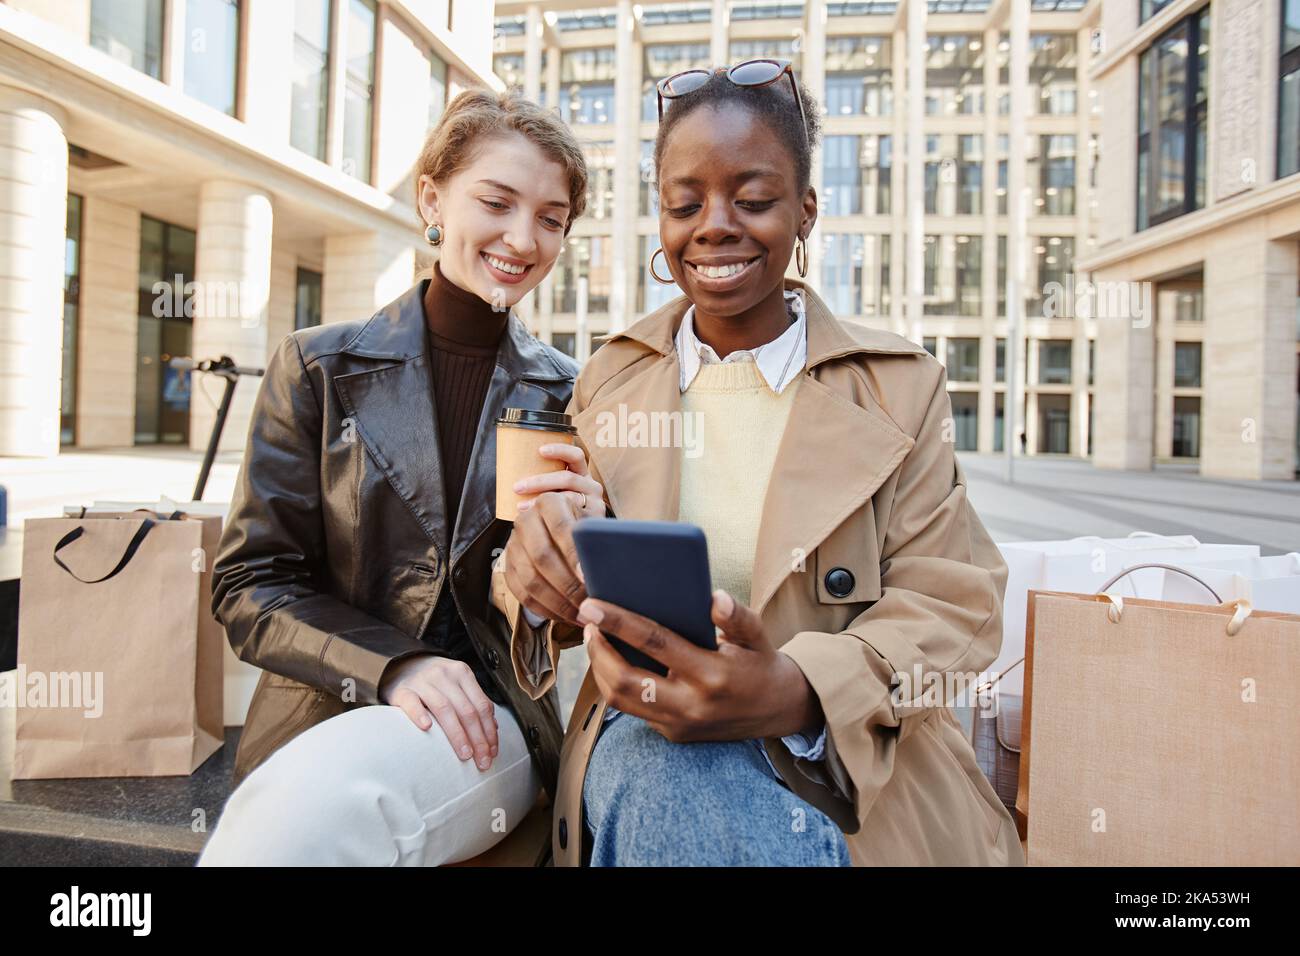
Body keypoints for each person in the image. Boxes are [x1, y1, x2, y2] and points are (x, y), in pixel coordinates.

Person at [494, 64, 1024, 866]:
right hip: (647, 735)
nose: (714, 226)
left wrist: (798, 690)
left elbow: (957, 599)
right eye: (685, 204)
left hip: (845, 768)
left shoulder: (901, 387)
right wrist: (535, 581)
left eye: (753, 198)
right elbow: (554, 559)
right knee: (671, 770)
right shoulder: (608, 377)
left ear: (806, 210)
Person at [198, 90, 606, 867]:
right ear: (432, 198)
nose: (523, 238)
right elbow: (249, 586)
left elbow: (556, 626)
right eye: (497, 201)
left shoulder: (571, 393)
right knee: (300, 813)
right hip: (318, 711)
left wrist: (576, 566)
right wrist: (393, 665)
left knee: (319, 816)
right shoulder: (317, 365)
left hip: (488, 726)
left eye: (552, 218)